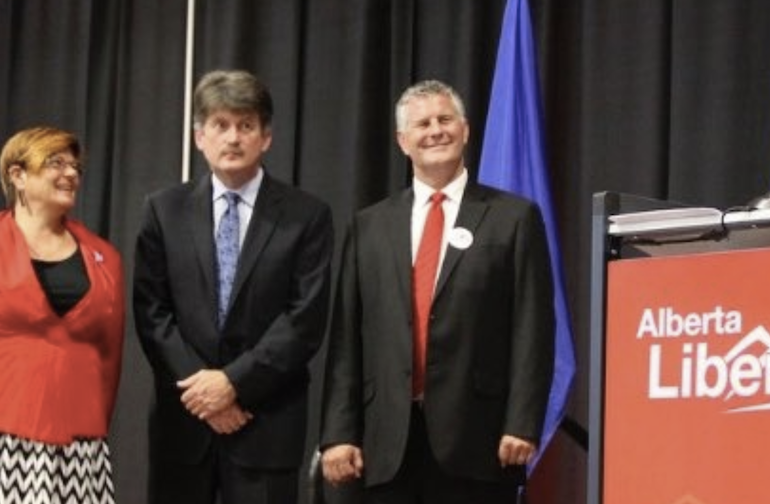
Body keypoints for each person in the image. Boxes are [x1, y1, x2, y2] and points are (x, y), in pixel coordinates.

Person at [318, 79, 555, 503]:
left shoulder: (513, 218)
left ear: (465, 129)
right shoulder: (369, 225)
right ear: (402, 140)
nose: (435, 130)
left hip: (479, 441)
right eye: (422, 123)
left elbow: (533, 329)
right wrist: (338, 433)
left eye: (445, 119)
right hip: (386, 442)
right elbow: (346, 339)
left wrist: (522, 422)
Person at [133, 69, 334, 504]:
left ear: (266, 137)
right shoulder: (163, 211)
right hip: (183, 428)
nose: (233, 138)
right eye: (220, 125)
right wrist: (204, 393)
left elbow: (304, 320)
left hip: (265, 424)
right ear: (199, 136)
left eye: (245, 125)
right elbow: (152, 313)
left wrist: (233, 384)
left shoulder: (307, 216)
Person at [0, 126, 124, 503]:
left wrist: (93, 428)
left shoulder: (105, 257)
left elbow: (110, 357)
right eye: (56, 163)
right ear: (18, 175)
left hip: (77, 446)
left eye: (76, 167)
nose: (71, 174)